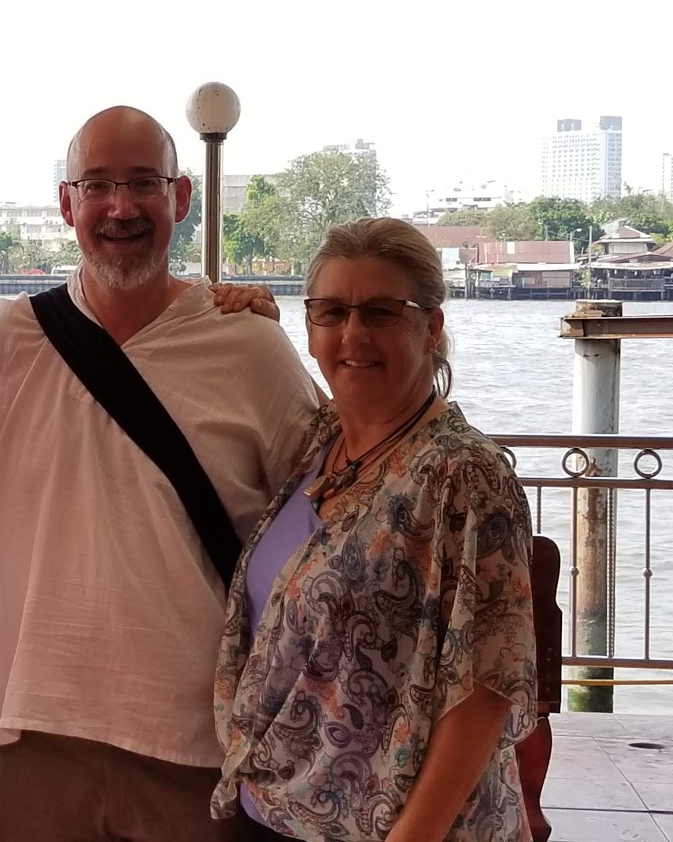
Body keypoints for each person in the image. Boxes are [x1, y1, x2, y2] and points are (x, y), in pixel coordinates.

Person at [0, 105, 324, 842]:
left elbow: (335, 510)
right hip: (35, 738)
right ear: (66, 204)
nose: (120, 207)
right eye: (96, 185)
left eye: (142, 184)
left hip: (199, 743)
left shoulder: (250, 348)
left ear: (180, 198)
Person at [211, 217, 538, 842]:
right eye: (331, 312)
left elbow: (487, 684)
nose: (353, 334)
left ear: (432, 327)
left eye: (382, 313)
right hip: (276, 812)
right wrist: (258, 323)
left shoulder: (463, 474)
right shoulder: (321, 442)